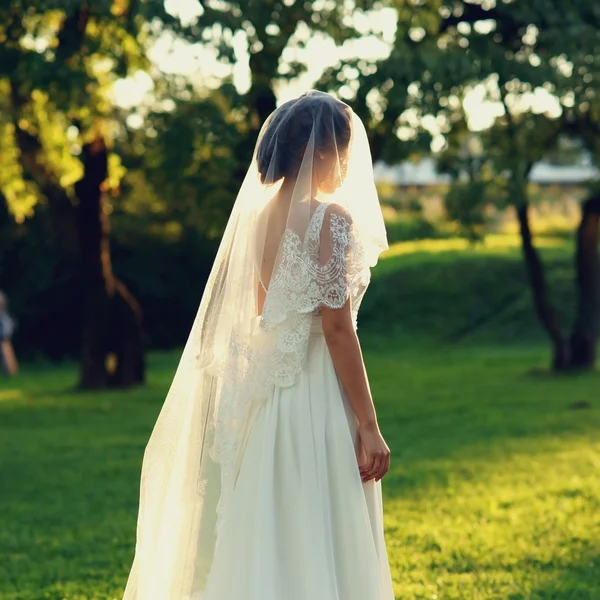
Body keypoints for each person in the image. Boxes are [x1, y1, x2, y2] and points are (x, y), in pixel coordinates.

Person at [123, 90, 394, 600]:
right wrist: (369, 425)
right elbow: (337, 329)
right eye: (342, 151)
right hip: (318, 402)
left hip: (273, 405)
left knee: (274, 534)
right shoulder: (330, 220)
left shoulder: (256, 218)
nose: (346, 164)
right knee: (321, 530)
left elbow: (260, 313)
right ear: (319, 151)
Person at [0, 291, 18, 376]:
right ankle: (10, 372)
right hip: (5, 321)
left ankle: (11, 371)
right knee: (6, 346)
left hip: (3, 322)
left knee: (5, 346)